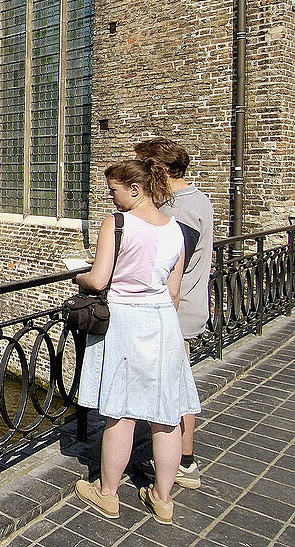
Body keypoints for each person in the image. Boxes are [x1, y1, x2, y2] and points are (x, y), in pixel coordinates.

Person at [73, 159, 201, 525]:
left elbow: (99, 281)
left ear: (135, 188)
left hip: (126, 320)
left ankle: (107, 494)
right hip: (163, 319)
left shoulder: (117, 224)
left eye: (113, 190)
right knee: (167, 415)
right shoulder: (177, 230)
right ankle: (163, 499)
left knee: (121, 410)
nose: (110, 198)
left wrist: (80, 277)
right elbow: (174, 292)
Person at [135, 138, 213, 489]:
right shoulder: (199, 199)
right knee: (181, 383)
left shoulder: (179, 213)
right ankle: (185, 459)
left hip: (176, 313)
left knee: (175, 389)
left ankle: (181, 463)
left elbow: (168, 269)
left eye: (143, 168)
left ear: (161, 170)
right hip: (189, 308)